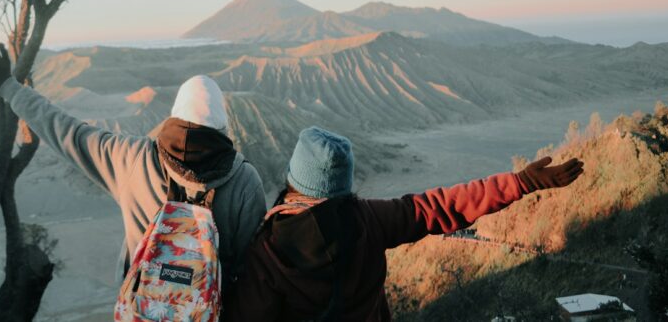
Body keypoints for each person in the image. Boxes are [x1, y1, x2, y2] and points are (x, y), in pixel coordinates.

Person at [0, 34, 266, 290]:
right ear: (224, 128)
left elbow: (62, 128)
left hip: (144, 311)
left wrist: (6, 84)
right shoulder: (245, 181)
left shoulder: (130, 159)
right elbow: (250, 270)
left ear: (174, 115)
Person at [226, 126, 584, 321]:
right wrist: (522, 181)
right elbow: (442, 206)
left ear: (294, 181)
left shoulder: (267, 251)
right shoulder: (369, 218)